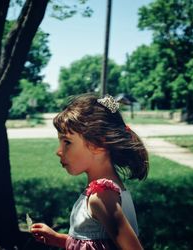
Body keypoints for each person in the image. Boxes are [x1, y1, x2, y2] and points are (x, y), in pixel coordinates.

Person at [30, 93, 149, 250]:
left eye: (67, 142)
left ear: (98, 144)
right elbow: (98, 243)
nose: (58, 151)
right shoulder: (106, 191)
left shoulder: (101, 196)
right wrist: (59, 239)